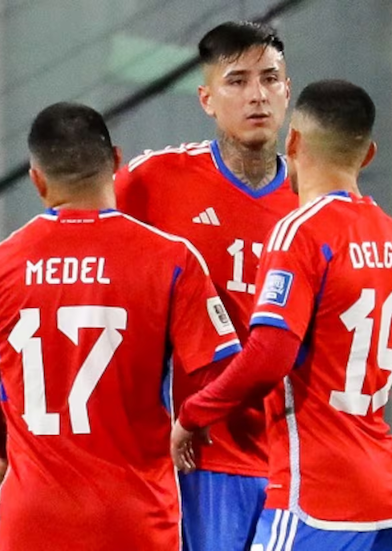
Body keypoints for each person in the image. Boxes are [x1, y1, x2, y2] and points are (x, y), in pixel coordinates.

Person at [171, 79, 392, 551]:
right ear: (368, 155)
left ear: (292, 142)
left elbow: (269, 357)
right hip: (385, 498)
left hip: (316, 494)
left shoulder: (299, 232)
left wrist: (194, 413)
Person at [0, 102, 241, 550]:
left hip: (31, 522)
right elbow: (226, 374)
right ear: (115, 161)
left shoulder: (4, 266)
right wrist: (193, 420)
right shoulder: (172, 260)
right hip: (135, 521)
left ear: (36, 180)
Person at [114, 21, 297, 550]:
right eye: (237, 81)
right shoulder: (153, 182)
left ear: (287, 90)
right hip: (197, 457)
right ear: (207, 100)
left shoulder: (314, 199)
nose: (257, 95)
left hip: (298, 462)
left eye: (269, 78)